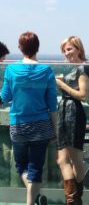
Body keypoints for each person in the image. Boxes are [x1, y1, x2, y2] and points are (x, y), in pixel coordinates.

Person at [1, 32, 58, 205]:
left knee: (21, 167)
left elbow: (4, 96)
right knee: (36, 168)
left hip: (19, 125)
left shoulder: (12, 70)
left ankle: (31, 201)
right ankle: (34, 198)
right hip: (41, 125)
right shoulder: (47, 70)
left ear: (20, 48)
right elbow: (52, 105)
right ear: (38, 48)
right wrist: (55, 130)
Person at [56, 36, 89, 205]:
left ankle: (74, 200)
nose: (66, 53)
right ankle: (73, 200)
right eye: (64, 50)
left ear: (78, 48)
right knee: (62, 159)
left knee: (75, 159)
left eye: (69, 49)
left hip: (73, 113)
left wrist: (62, 85)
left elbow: (83, 95)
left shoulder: (83, 68)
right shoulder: (75, 68)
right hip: (65, 111)